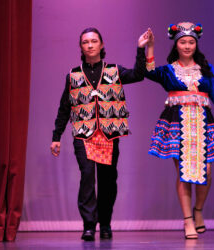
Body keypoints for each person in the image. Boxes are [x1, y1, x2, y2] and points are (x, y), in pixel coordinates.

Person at [50, 27, 151, 241]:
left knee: (107, 181)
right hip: (83, 135)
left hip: (108, 134)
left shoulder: (114, 71)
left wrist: (140, 49)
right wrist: (56, 137)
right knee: (87, 178)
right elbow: (64, 108)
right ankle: (89, 225)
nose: (90, 45)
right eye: (85, 42)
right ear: (81, 47)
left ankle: (105, 223)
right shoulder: (73, 75)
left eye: (94, 41)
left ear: (101, 45)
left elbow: (139, 75)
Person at [145, 23, 214, 239]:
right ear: (176, 45)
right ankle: (187, 221)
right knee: (184, 173)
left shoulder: (205, 69)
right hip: (177, 123)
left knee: (207, 170)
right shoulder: (168, 71)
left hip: (203, 121)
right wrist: (150, 47)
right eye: (183, 42)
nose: (187, 46)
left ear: (196, 44)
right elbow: (148, 72)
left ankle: (198, 211)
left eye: (191, 42)